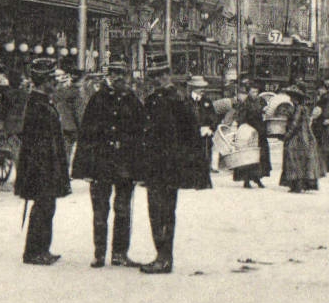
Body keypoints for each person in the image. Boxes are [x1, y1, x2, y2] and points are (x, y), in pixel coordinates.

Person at [132, 75, 211, 273]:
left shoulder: (174, 102)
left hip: (166, 166)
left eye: (159, 76)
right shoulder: (163, 100)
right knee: (160, 211)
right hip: (160, 165)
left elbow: (190, 136)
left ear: (166, 77)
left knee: (161, 212)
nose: (155, 80)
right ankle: (162, 256)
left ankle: (164, 258)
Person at [71, 71, 144, 266]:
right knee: (100, 210)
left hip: (125, 165)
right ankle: (99, 254)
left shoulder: (132, 101)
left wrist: (139, 168)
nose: (119, 79)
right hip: (100, 164)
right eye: (115, 74)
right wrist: (84, 168)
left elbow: (140, 136)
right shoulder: (97, 100)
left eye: (122, 74)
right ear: (109, 77)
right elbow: (86, 134)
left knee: (122, 210)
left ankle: (119, 254)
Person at [14, 77, 71, 264]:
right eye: (51, 80)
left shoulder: (43, 101)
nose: (54, 84)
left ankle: (43, 249)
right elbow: (36, 141)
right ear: (43, 81)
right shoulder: (37, 104)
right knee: (42, 207)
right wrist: (42, 166)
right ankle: (33, 252)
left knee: (48, 207)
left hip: (47, 164)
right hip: (40, 166)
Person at [279, 91, 324, 193]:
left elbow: (294, 124)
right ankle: (302, 184)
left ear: (297, 99)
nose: (291, 100)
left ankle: (297, 185)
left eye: (292, 98)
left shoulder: (298, 109)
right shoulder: (303, 108)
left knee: (293, 160)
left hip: (298, 138)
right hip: (306, 137)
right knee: (303, 161)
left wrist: (287, 135)